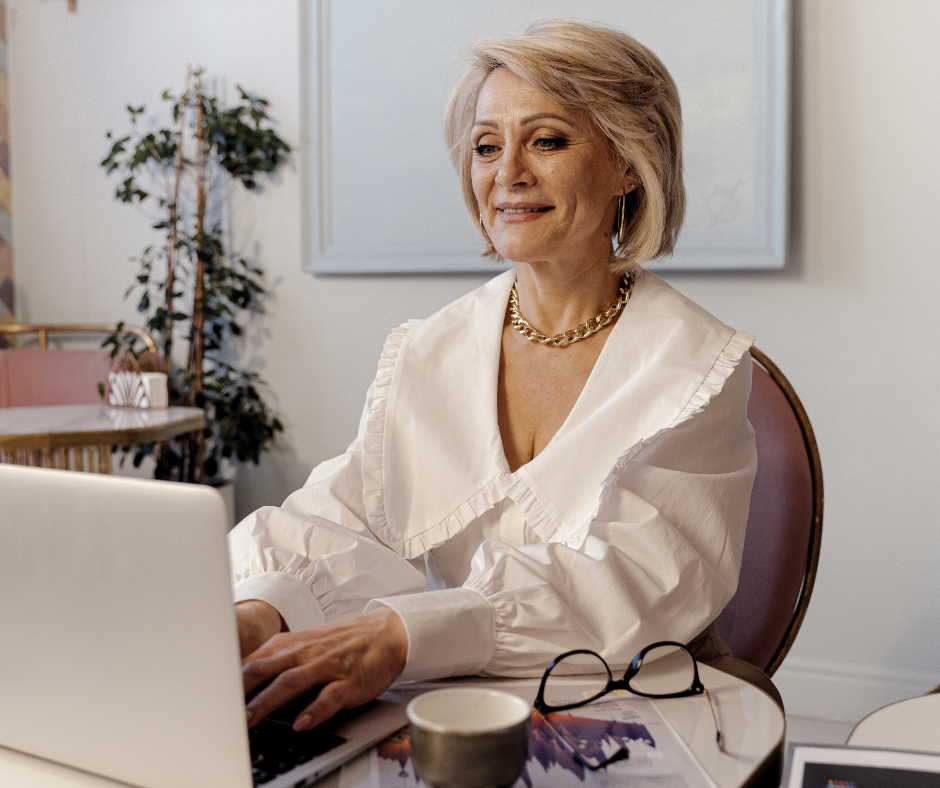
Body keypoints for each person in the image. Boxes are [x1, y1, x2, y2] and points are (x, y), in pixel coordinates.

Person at [231, 19, 777, 734]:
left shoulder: (696, 366)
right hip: (449, 710)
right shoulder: (428, 349)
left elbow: (633, 587)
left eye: (547, 140)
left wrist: (403, 635)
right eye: (487, 146)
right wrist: (259, 611)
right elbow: (347, 516)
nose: (507, 172)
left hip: (629, 713)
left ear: (627, 164)